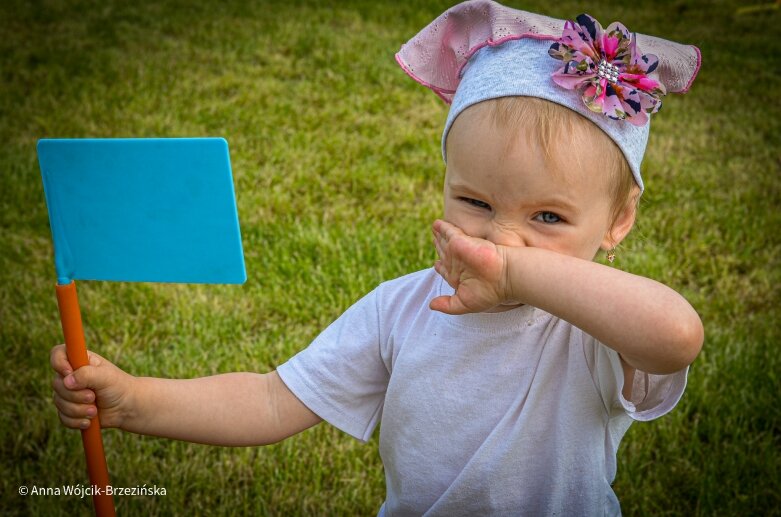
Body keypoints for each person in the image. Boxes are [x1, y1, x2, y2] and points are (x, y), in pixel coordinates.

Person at [51, 1, 704, 514]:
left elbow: (674, 336)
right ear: (444, 181)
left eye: (547, 217)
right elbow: (274, 400)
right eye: (474, 201)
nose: (501, 239)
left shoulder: (589, 327)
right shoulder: (403, 307)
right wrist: (133, 401)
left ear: (616, 220)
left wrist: (516, 275)